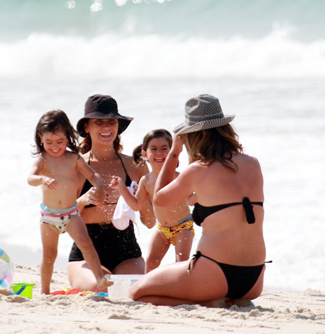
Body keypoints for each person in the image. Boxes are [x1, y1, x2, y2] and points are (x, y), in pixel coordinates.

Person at [129, 94, 267, 306]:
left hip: (215, 271)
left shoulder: (198, 170)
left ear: (192, 136)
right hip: (254, 279)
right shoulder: (253, 164)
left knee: (137, 292)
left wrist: (174, 152)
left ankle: (209, 302)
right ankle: (222, 300)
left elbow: (159, 199)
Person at [68, 94, 155, 291]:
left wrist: (137, 199)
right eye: (99, 122)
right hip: (86, 252)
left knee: (135, 289)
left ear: (118, 126)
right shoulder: (76, 166)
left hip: (127, 252)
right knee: (101, 287)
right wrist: (82, 200)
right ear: (87, 127)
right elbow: (60, 223)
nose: (106, 128)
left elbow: (150, 222)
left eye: (111, 122)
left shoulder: (135, 166)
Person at [28, 110, 113, 294]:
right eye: (49, 142)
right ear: (40, 137)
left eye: (60, 141)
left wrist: (99, 185)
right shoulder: (42, 160)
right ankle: (45, 290)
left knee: (85, 243)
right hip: (49, 217)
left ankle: (99, 278)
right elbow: (30, 178)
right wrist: (43, 179)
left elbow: (92, 175)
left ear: (68, 136)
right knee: (49, 254)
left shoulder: (73, 158)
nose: (55, 147)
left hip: (72, 214)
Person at [110, 129, 194, 273]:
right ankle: (149, 291)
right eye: (154, 149)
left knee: (181, 264)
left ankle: (180, 290)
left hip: (183, 227)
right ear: (144, 154)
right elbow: (136, 205)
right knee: (151, 263)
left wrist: (204, 189)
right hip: (162, 229)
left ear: (173, 151)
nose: (159, 153)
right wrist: (121, 187)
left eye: (164, 149)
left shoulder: (178, 177)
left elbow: (191, 200)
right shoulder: (146, 180)